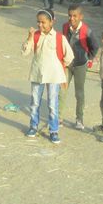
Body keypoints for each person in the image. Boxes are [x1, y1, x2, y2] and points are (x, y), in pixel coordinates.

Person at [22, 9, 73, 144]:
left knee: (52, 104)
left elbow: (69, 56)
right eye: (38, 22)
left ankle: (53, 130)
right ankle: (33, 126)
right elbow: (25, 52)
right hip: (37, 74)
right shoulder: (36, 36)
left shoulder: (59, 38)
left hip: (54, 76)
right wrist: (29, 37)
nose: (40, 25)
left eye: (43, 22)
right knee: (35, 103)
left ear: (52, 22)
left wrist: (61, 70)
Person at [60, 4, 98, 131]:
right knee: (62, 90)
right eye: (69, 15)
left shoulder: (87, 31)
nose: (72, 18)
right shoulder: (65, 27)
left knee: (79, 93)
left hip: (81, 65)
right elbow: (62, 43)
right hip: (67, 64)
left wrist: (90, 58)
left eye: (75, 16)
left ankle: (79, 119)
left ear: (81, 17)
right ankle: (58, 117)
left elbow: (95, 46)